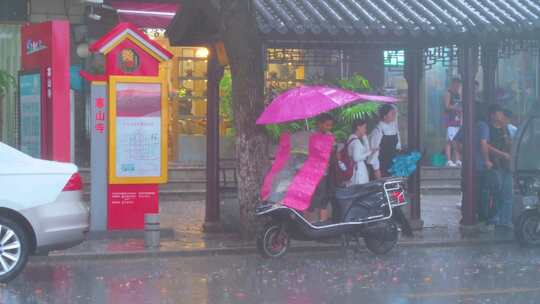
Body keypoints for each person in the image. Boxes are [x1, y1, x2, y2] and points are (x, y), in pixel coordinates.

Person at [486, 104, 513, 229]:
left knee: (508, 194)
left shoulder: (505, 128)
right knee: (496, 192)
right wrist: (502, 154)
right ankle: (494, 218)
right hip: (495, 165)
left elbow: (509, 144)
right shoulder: (489, 129)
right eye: (498, 113)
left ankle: (505, 221)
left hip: (507, 166)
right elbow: (486, 146)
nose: (501, 115)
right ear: (492, 115)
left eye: (501, 113)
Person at [309, 113, 336, 223]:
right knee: (314, 197)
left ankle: (323, 223)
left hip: (326, 171)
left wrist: (333, 145)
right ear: (319, 124)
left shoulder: (329, 135)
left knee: (325, 196)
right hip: (314, 171)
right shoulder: (312, 135)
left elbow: (333, 153)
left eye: (330, 125)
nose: (329, 127)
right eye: (327, 125)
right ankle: (309, 224)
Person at [369, 104, 401, 179]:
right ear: (384, 116)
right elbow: (374, 152)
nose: (394, 115)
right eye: (391, 113)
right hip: (381, 168)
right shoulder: (378, 130)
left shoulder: (394, 129)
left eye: (394, 113)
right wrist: (376, 169)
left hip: (392, 167)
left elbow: (397, 147)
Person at [346, 120, 377, 186]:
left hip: (355, 169)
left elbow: (365, 150)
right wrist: (370, 152)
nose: (365, 130)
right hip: (359, 171)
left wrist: (365, 138)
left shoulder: (351, 139)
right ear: (358, 127)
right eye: (364, 127)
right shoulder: (356, 142)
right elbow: (356, 158)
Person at [443, 78, 463, 167]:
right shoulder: (448, 93)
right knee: (449, 140)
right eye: (456, 85)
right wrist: (456, 108)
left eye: (459, 86)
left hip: (458, 119)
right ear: (452, 84)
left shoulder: (458, 94)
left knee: (457, 140)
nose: (457, 87)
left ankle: (457, 159)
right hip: (449, 119)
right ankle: (448, 160)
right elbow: (446, 106)